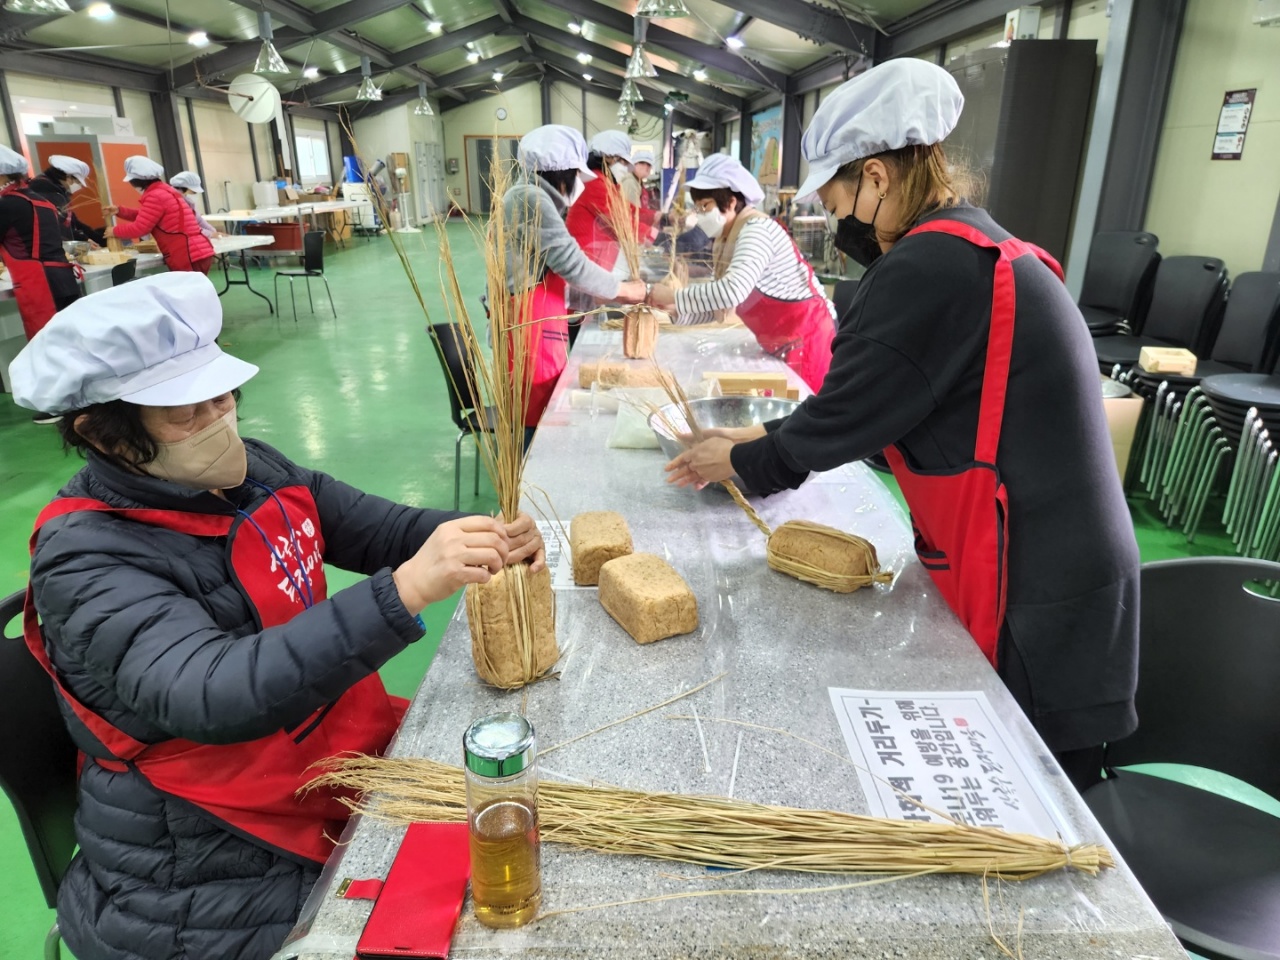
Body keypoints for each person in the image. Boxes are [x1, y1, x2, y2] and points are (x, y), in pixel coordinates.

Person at [11, 272, 546, 960]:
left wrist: (476, 535)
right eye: (185, 412)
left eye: (223, 393)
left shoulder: (249, 472)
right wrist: (405, 591)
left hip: (316, 757)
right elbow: (215, 692)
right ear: (103, 434)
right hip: (199, 862)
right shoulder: (85, 560)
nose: (220, 417)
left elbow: (378, 528)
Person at [665, 59, 1139, 789]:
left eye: (839, 196)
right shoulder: (963, 244)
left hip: (1041, 598)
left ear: (879, 178)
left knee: (1031, 809)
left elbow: (839, 422)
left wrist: (742, 458)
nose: (837, 220)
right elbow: (895, 412)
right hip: (1057, 570)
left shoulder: (931, 269)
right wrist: (758, 442)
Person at [500, 124, 647, 444]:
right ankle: (528, 477)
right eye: (576, 175)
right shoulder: (530, 199)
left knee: (543, 402)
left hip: (539, 316)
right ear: (561, 173)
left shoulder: (532, 195)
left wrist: (589, 296)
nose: (579, 183)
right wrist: (623, 290)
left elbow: (550, 265)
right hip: (529, 324)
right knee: (533, 410)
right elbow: (570, 262)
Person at [648, 154, 836, 392]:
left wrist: (676, 297)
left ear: (732, 202)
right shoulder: (727, 239)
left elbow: (731, 292)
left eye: (705, 206)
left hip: (807, 340)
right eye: (698, 207)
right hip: (779, 343)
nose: (700, 214)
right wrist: (675, 312)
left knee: (806, 413)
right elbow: (719, 310)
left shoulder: (757, 230)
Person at [0, 145, 81, 424]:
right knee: (67, 341)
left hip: (39, 281)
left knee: (47, 344)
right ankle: (80, 398)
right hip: (62, 276)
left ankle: (59, 405)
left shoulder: (7, 204)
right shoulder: (41, 201)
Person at [566, 129, 660, 274]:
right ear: (609, 157)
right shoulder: (593, 182)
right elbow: (620, 221)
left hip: (598, 259)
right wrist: (657, 236)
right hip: (586, 261)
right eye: (622, 162)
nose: (625, 169)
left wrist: (660, 217)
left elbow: (629, 210)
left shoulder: (606, 183)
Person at [104, 156, 216, 274]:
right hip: (197, 250)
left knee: (189, 291)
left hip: (186, 253)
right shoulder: (165, 190)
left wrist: (115, 231)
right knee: (195, 290)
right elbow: (149, 217)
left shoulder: (155, 196)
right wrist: (119, 211)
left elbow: (140, 228)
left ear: (135, 181)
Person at [27, 155, 106, 246]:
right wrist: (84, 240)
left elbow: (73, 221)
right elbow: (56, 225)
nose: (79, 186)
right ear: (68, 177)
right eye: (78, 182)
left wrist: (97, 238)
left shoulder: (59, 191)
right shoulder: (45, 190)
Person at [169, 170, 221, 239]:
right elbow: (187, 227)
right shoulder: (173, 201)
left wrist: (213, 231)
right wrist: (210, 234)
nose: (195, 193)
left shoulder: (186, 200)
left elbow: (198, 219)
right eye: (194, 191)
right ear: (185, 187)